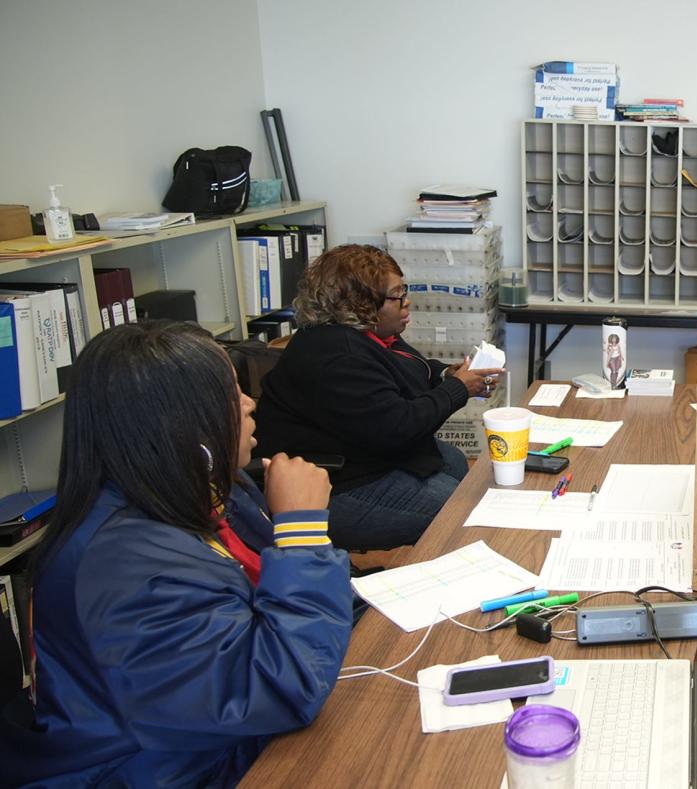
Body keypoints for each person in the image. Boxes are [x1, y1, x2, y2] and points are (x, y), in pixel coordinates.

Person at [0, 321, 352, 788]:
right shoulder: (122, 568)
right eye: (230, 395)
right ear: (182, 423)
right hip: (167, 772)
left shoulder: (200, 490)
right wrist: (302, 533)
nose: (250, 404)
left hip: (217, 746)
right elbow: (273, 690)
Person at [254, 244, 501, 550]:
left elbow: (402, 372)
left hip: (358, 449)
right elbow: (398, 428)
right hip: (332, 480)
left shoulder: (370, 335)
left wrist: (445, 376)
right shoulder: (339, 355)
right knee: (455, 509)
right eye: (397, 296)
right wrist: (459, 389)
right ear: (361, 305)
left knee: (452, 463)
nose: (407, 302)